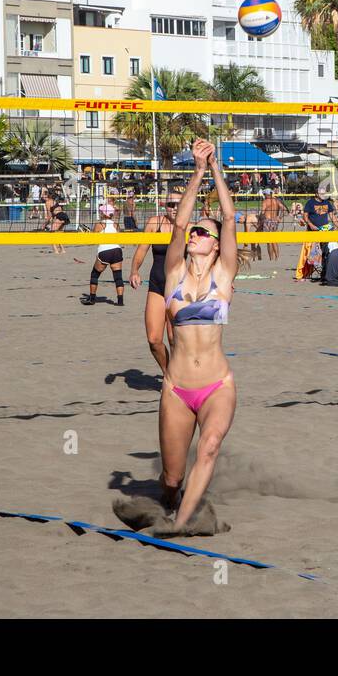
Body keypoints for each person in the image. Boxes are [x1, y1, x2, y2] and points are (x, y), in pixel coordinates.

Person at [154, 138, 238, 531]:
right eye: (197, 232)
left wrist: (217, 167)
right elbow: (179, 224)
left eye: (205, 233)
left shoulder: (224, 276)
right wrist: (198, 171)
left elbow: (229, 216)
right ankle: (172, 500)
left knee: (209, 447)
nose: (195, 235)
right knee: (171, 481)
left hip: (217, 385)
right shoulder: (174, 273)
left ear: (216, 245)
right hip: (177, 388)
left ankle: (181, 526)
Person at [130, 187, 182, 381]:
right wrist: (134, 270)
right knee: (154, 340)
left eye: (178, 204)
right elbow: (142, 249)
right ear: (164, 206)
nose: (174, 208)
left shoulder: (191, 226)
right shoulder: (155, 223)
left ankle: (178, 379)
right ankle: (169, 374)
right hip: (157, 285)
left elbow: (212, 252)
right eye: (170, 204)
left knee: (174, 339)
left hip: (180, 288)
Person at [84, 202, 125, 306]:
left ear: (103, 213)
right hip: (117, 250)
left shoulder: (99, 224)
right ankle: (120, 301)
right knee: (118, 277)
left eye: (101, 211)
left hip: (105, 251)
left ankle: (92, 299)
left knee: (94, 275)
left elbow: (92, 240)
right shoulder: (116, 224)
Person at [259, 188, 285, 262]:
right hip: (274, 221)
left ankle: (271, 258)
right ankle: (277, 258)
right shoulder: (276, 201)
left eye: (264, 194)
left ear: (267, 194)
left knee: (269, 241)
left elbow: (262, 212)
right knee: (274, 240)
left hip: (267, 221)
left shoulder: (265, 201)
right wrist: (279, 217)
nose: (264, 195)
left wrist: (260, 219)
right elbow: (284, 209)